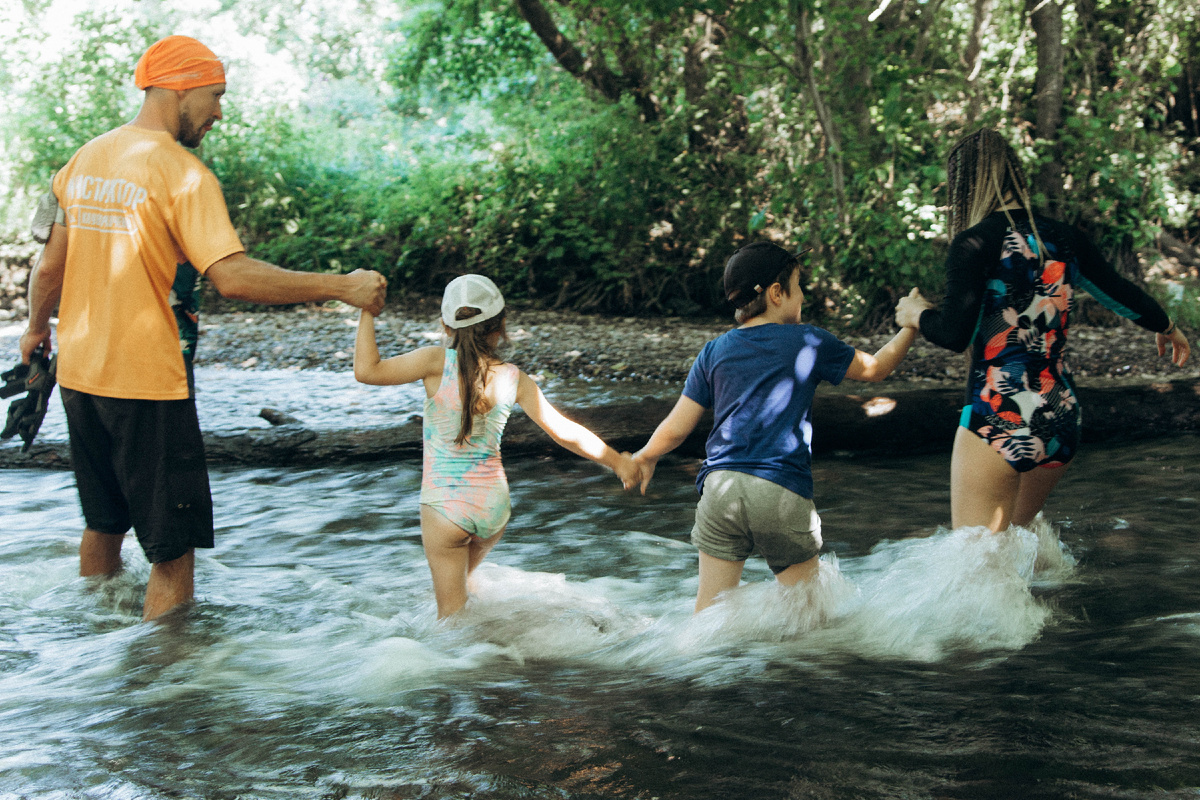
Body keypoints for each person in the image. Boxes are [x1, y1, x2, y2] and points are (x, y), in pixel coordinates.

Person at [17, 35, 389, 621]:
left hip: (81, 378)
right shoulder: (181, 173)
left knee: (105, 521)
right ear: (180, 87)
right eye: (215, 95)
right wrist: (342, 286)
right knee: (173, 552)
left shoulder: (84, 160)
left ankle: (88, 652)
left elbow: (51, 267)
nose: (219, 111)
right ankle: (165, 690)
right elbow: (234, 278)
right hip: (147, 384)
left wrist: (35, 329)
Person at [895, 128, 1191, 532]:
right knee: (1018, 545)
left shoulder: (974, 242)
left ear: (962, 188)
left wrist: (915, 313)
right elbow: (1119, 292)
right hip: (1060, 416)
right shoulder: (1065, 239)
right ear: (1017, 175)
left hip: (998, 414)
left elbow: (952, 334)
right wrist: (1168, 326)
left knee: (971, 564)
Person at [632, 242, 921, 612]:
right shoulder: (808, 341)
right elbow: (877, 368)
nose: (802, 297)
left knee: (710, 616)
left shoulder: (714, 351)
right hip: (779, 491)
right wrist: (910, 327)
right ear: (776, 293)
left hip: (720, 489)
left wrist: (646, 456)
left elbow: (675, 428)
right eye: (799, 287)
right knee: (808, 616)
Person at [353, 274, 640, 619]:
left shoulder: (433, 362)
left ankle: (479, 662)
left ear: (446, 326)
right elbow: (564, 431)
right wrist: (618, 462)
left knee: (450, 618)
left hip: (445, 507)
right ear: (501, 326)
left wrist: (365, 310)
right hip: (493, 508)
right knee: (463, 585)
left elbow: (367, 371)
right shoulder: (513, 377)